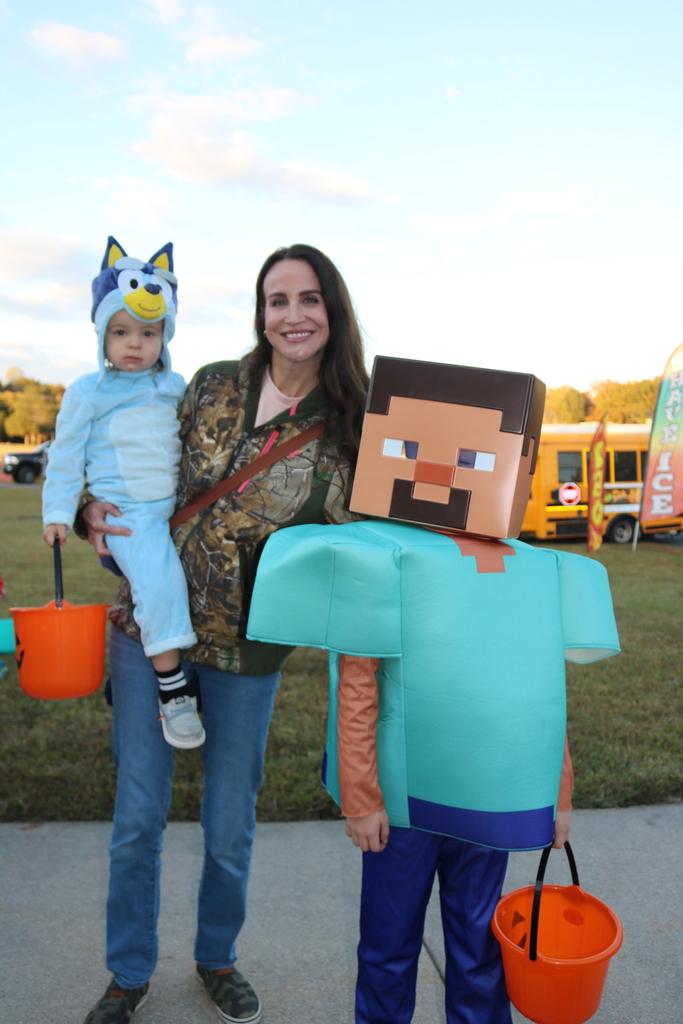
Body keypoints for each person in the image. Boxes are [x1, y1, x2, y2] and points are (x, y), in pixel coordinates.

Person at [247, 356, 621, 1024]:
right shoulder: (383, 557)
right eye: (414, 451)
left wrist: (555, 795)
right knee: (388, 946)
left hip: (488, 795)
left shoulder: (527, 569)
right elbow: (356, 686)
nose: (444, 470)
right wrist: (362, 799)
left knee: (478, 949)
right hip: (403, 807)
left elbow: (539, 693)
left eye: (471, 458)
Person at [78, 244, 369, 1024]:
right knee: (137, 818)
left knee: (229, 823)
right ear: (260, 313)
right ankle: (128, 973)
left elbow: (373, 538)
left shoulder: (351, 426)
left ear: (333, 312)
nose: (292, 315)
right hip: (151, 633)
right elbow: (123, 448)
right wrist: (84, 506)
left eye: (308, 298)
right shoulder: (209, 385)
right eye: (277, 300)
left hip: (249, 650)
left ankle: (217, 958)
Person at [42, 236, 205, 749]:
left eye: (148, 333)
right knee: (158, 589)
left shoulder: (175, 386)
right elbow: (65, 456)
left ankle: (152, 672)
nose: (134, 344)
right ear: (101, 335)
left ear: (164, 336)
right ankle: (173, 692)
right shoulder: (88, 392)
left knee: (178, 588)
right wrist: (59, 512)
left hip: (177, 510)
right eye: (120, 332)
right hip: (128, 515)